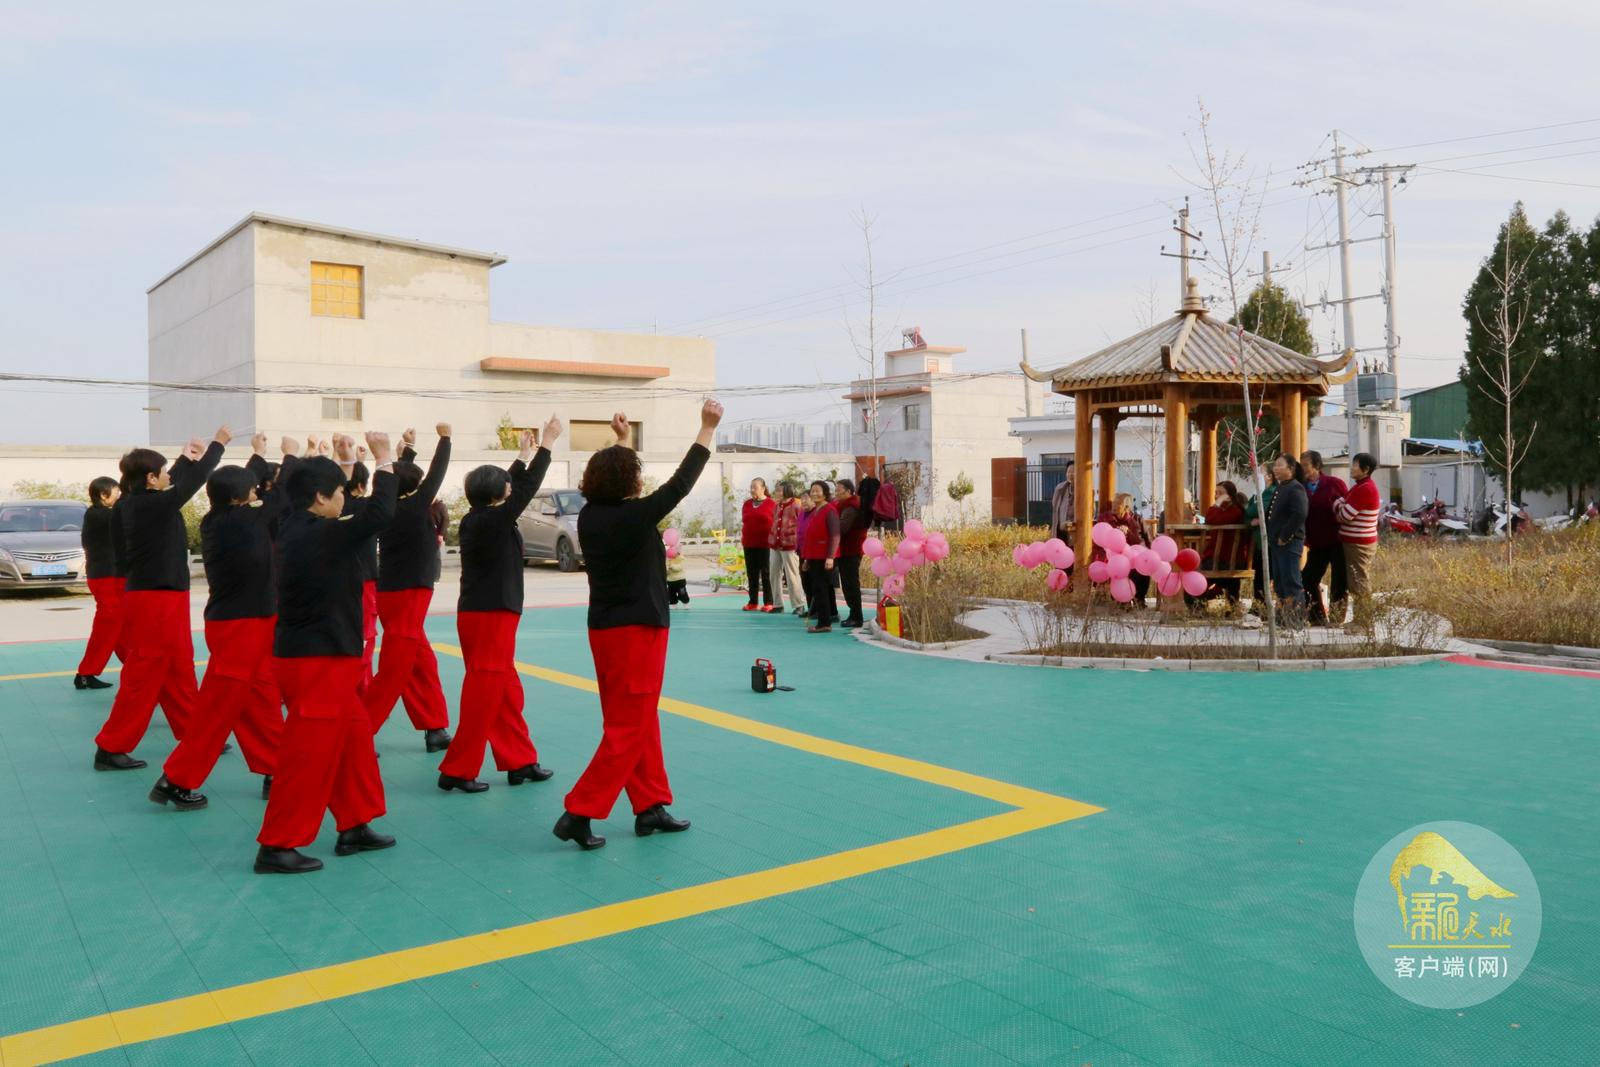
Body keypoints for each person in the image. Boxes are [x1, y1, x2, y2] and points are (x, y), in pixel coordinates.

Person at [554, 401, 723, 851]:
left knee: (634, 720)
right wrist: (706, 429)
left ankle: (649, 805)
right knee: (630, 726)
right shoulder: (633, 516)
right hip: (637, 632)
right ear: (629, 484)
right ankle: (579, 811)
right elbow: (681, 483)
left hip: (606, 630)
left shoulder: (591, 515)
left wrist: (622, 441)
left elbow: (621, 485)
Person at [255, 433, 398, 874]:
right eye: (339, 493)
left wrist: (337, 461)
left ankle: (354, 823)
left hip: (314, 656)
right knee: (308, 756)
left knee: (354, 739)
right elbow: (380, 512)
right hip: (318, 661)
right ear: (320, 498)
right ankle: (277, 844)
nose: (344, 499)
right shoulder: (320, 535)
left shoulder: (293, 525)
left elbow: (343, 507)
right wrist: (384, 459)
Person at [151, 434, 298, 809]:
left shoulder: (220, 518)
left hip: (245, 622)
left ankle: (276, 768)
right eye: (252, 489)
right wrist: (291, 456)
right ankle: (176, 779)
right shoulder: (246, 521)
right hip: (240, 627)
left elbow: (246, 487)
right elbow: (282, 496)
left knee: (261, 699)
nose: (257, 491)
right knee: (217, 710)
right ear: (238, 498)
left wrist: (259, 456)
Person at [92, 428, 227, 771]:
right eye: (164, 471)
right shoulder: (150, 506)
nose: (169, 475)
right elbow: (189, 483)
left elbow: (176, 482)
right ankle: (111, 745)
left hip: (163, 594)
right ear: (151, 479)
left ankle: (193, 731)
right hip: (155, 598)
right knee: (144, 672)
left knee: (179, 666)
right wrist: (217, 446)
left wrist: (184, 458)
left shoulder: (134, 503)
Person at [437, 418, 561, 793]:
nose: (511, 487)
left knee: (505, 690)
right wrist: (547, 445)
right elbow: (525, 487)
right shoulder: (492, 520)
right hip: (490, 615)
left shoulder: (481, 517)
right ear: (497, 493)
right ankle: (457, 768)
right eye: (505, 484)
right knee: (485, 693)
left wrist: (522, 454)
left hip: (485, 613)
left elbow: (514, 484)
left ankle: (519, 760)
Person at [365, 425, 454, 752]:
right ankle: (358, 730)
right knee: (395, 669)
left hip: (390, 593)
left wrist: (408, 452)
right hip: (411, 593)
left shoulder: (387, 507)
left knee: (421, 662)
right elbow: (436, 473)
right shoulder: (416, 506)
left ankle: (435, 727)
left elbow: (400, 478)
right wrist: (445, 439)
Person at [75, 475, 125, 690]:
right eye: (117, 492)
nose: (119, 496)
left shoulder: (99, 514)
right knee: (109, 625)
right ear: (104, 495)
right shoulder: (99, 515)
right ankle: (86, 672)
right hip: (106, 577)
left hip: (108, 576)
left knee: (120, 626)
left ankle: (136, 667)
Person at [339, 456, 381, 698]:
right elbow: (384, 496)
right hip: (363, 582)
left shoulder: (329, 508)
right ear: (362, 486)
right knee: (364, 638)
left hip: (337, 581)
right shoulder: (368, 509)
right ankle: (358, 694)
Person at [1298, 450, 1349, 626]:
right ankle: (1317, 616)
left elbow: (1346, 507)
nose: (1303, 469)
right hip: (1316, 542)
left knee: (1339, 580)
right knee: (1307, 579)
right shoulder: (1301, 487)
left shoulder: (1334, 484)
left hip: (1336, 540)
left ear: (1317, 466)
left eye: (1306, 465)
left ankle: (1337, 618)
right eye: (1301, 465)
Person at [1333, 452, 1382, 630]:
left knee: (1359, 582)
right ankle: (1360, 621)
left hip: (1359, 543)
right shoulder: (1359, 486)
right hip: (1354, 542)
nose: (1351, 468)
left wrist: (1338, 505)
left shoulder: (1365, 489)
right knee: (1356, 581)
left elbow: (1344, 515)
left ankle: (1363, 622)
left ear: (1366, 469)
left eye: (1355, 465)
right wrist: (1340, 504)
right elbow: (1341, 504)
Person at [1187, 480, 1249, 609]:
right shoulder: (1224, 510)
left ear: (1230, 496)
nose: (1216, 496)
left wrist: (1216, 504)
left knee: (1192, 573)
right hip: (1222, 559)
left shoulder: (1235, 511)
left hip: (1226, 560)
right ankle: (1215, 596)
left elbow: (1210, 519)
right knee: (1194, 570)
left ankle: (1208, 598)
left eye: (1220, 493)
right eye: (1216, 493)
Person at [1265, 453, 1309, 628]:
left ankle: (1296, 621)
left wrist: (1285, 536)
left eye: (1279, 465)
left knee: (1291, 581)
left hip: (1288, 542)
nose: (1275, 469)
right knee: (1280, 582)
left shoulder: (1295, 488)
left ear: (1290, 468)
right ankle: (1284, 619)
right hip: (1276, 543)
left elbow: (1299, 514)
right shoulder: (1282, 487)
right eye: (1275, 465)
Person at [1095, 492, 1149, 607]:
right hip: (1113, 556)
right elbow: (1101, 538)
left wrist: (1128, 532)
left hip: (1133, 555)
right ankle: (1122, 600)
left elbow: (1143, 540)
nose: (1114, 506)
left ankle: (1139, 598)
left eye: (1117, 504)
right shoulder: (1104, 518)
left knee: (1142, 566)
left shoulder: (1137, 519)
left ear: (1127, 508)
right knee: (1118, 567)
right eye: (1114, 503)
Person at [799, 480, 840, 632]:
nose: (814, 493)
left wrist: (830, 557)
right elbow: (811, 536)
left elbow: (835, 535)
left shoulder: (829, 510)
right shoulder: (816, 510)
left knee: (821, 589)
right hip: (814, 556)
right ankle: (824, 621)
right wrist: (807, 559)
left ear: (825, 493)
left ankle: (824, 623)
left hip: (824, 557)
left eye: (818, 490)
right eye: (812, 491)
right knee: (818, 589)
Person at [1243, 465, 1277, 617]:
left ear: (1269, 476)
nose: (1256, 475)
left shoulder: (1271, 492)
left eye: (1260, 473)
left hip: (1270, 541)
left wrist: (1253, 514)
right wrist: (1250, 522)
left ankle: (1264, 607)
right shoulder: (1258, 493)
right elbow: (1246, 514)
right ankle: (1258, 606)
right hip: (1258, 542)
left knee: (1267, 576)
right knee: (1259, 577)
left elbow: (1256, 509)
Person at [833, 479, 868, 628]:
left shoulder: (851, 507)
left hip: (851, 550)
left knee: (850, 584)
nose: (836, 492)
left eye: (839, 489)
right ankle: (854, 615)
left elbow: (841, 528)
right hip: (846, 550)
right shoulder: (843, 505)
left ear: (848, 491)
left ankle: (856, 617)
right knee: (848, 583)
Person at [740, 478, 775, 612]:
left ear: (763, 488)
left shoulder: (772, 504)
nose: (752, 489)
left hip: (766, 545)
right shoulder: (747, 504)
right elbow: (745, 522)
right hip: (749, 544)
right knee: (751, 574)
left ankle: (769, 602)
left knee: (766, 574)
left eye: (755, 487)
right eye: (751, 487)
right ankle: (753, 602)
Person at [766, 482, 801, 614]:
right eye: (776, 490)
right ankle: (778, 604)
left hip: (790, 545)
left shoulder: (796, 505)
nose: (777, 493)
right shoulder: (777, 506)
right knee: (774, 574)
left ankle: (798, 604)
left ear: (787, 490)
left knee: (792, 575)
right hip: (775, 544)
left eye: (779, 490)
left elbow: (801, 524)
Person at [792, 489, 816, 616]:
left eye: (807, 498)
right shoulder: (802, 513)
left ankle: (817, 610)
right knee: (805, 581)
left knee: (814, 581)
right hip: (802, 551)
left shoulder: (816, 512)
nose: (804, 501)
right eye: (802, 499)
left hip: (813, 552)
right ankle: (810, 609)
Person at [1050, 461, 1076, 542]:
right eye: (1068, 472)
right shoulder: (1060, 488)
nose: (1070, 474)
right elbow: (1055, 507)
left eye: (1073, 471)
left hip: (1076, 532)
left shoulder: (1084, 489)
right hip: (1061, 531)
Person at [428, 496, 449, 584]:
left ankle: (436, 578)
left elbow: (446, 520)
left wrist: (441, 534)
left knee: (436, 555)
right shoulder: (426, 505)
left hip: (437, 533)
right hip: (427, 533)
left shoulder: (441, 505)